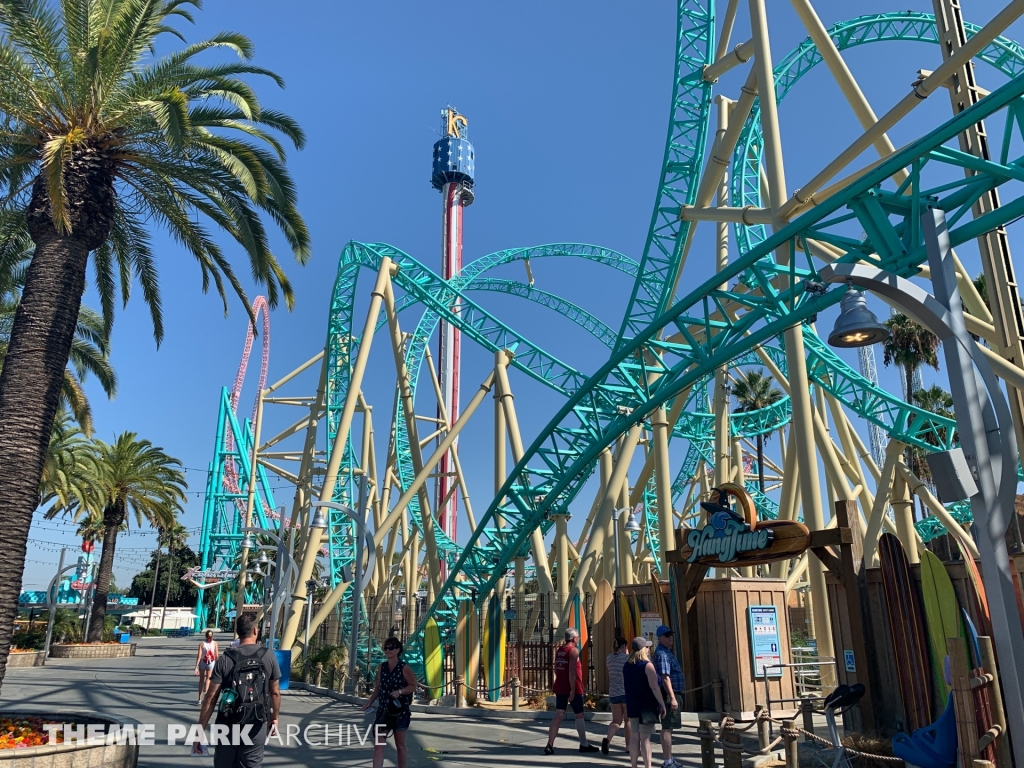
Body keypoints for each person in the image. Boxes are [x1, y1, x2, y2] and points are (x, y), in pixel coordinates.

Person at [195, 613, 281, 768]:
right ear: (255, 631)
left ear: (237, 632)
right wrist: (274, 717)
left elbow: (210, 698)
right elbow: (275, 692)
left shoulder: (226, 658)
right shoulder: (268, 656)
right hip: (256, 722)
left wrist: (199, 732)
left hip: (228, 723)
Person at [362, 636, 417, 768]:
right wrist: (370, 701)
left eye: (391, 648)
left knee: (400, 745)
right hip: (384, 711)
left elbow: (413, 686)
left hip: (400, 712)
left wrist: (400, 691)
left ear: (398, 650)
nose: (388, 650)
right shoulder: (382, 667)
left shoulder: (404, 668)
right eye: (386, 648)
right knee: (378, 745)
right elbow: (378, 687)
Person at [544, 627, 599, 755]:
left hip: (560, 686)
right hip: (573, 687)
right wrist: (573, 690)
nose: (578, 639)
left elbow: (557, 668)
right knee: (579, 714)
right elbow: (572, 671)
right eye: (578, 637)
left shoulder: (560, 650)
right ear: (574, 638)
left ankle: (549, 744)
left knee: (559, 714)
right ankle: (584, 744)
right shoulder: (573, 651)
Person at [623, 637, 666, 768]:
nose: (648, 649)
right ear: (642, 649)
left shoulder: (626, 665)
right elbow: (654, 687)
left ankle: (634, 765)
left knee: (635, 736)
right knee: (645, 738)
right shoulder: (647, 665)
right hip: (647, 705)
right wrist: (662, 704)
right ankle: (648, 766)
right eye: (647, 647)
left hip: (632, 703)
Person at [653, 625, 685, 768]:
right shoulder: (662, 654)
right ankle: (667, 761)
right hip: (668, 694)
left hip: (674, 693)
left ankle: (670, 759)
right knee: (667, 727)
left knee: (669, 728)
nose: (670, 637)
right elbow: (665, 677)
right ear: (659, 638)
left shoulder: (667, 651)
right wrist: (672, 698)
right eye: (667, 635)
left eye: (671, 635)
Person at [602, 636, 631, 754]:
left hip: (613, 693)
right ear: (623, 646)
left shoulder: (609, 658)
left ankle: (608, 738)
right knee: (628, 720)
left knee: (616, 721)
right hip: (625, 692)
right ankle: (628, 746)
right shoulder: (627, 658)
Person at [194, 630, 219, 704]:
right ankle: (203, 697)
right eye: (209, 637)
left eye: (210, 637)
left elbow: (199, 656)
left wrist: (196, 667)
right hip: (210, 662)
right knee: (206, 679)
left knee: (203, 680)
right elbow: (216, 655)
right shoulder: (214, 643)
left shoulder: (202, 644)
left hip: (204, 662)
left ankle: (201, 698)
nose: (209, 639)